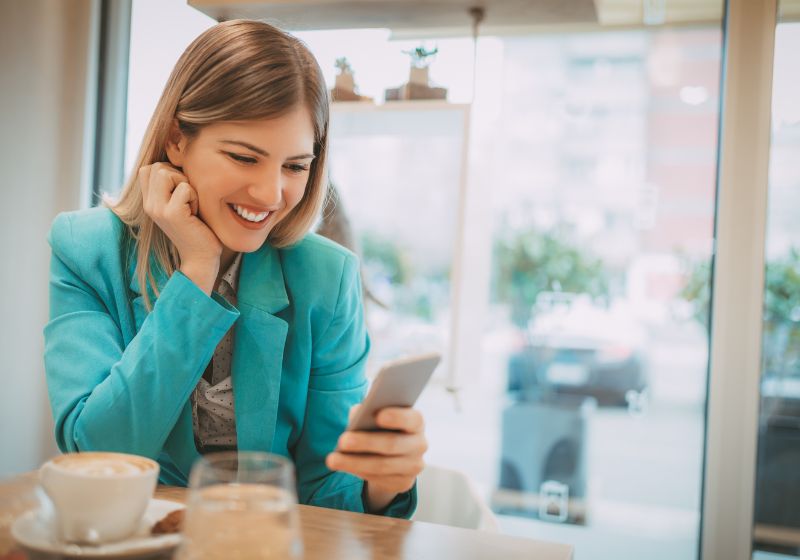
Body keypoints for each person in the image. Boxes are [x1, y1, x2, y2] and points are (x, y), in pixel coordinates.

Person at [43, 19, 426, 518]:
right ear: (177, 140)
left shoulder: (326, 278)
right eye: (245, 157)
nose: (271, 195)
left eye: (295, 166)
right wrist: (196, 273)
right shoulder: (85, 249)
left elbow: (327, 488)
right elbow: (97, 453)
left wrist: (383, 483)